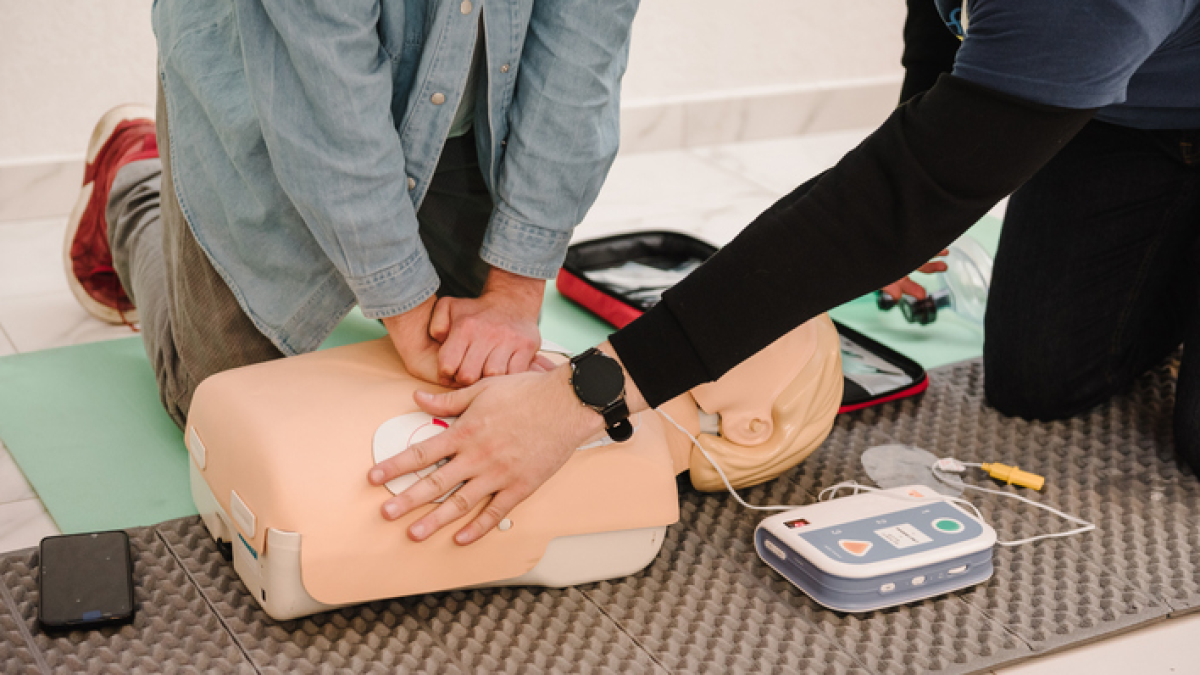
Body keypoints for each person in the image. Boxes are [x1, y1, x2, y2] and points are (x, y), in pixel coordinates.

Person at [370, 0, 1200, 546]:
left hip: (1119, 53)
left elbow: (885, 205)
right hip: (1126, 112)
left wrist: (583, 398)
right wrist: (937, 113)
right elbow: (944, 21)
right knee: (1040, 381)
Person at [65, 0, 639, 429]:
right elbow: (324, 96)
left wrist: (514, 290)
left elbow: (581, 55)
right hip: (268, 69)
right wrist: (409, 315)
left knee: (474, 382)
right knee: (217, 408)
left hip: (467, 91)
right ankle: (132, 182)